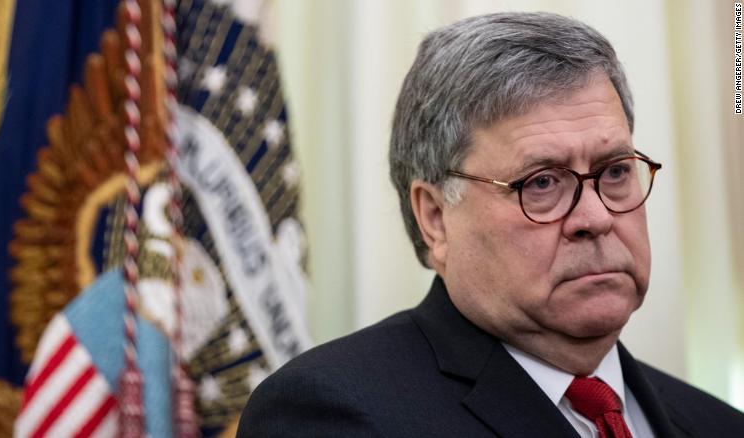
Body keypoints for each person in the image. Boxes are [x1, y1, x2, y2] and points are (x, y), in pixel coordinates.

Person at [236, 11, 744, 437]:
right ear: (435, 218)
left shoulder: (719, 424)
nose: (595, 217)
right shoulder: (334, 413)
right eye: (541, 183)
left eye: (614, 172)